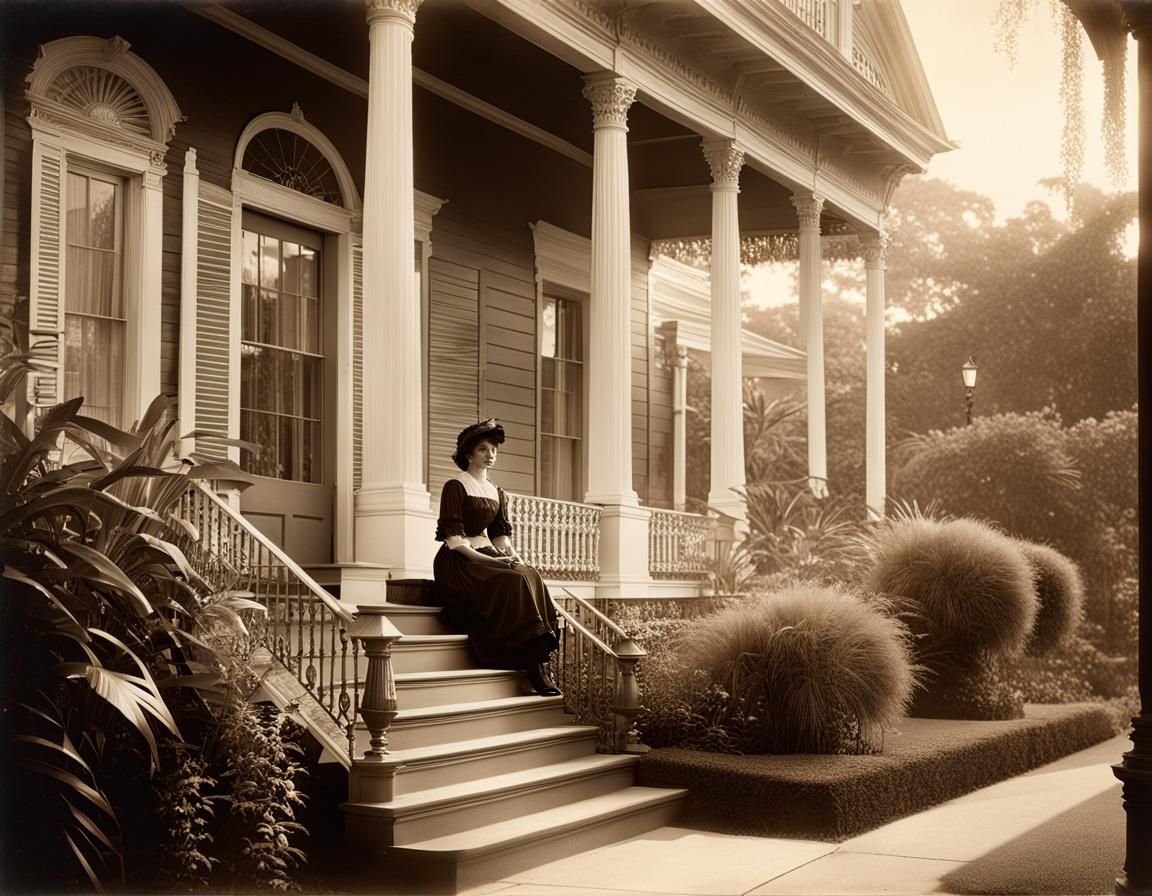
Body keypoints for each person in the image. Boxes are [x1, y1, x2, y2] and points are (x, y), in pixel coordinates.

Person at [433, 419, 561, 696]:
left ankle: (538, 659)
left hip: (487, 552)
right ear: (469, 454)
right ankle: (532, 666)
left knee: (529, 575)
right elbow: (454, 539)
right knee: (511, 581)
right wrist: (493, 562)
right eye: (483, 449)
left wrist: (516, 558)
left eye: (493, 449)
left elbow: (500, 536)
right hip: (459, 561)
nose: (490, 454)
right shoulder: (455, 485)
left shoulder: (496, 491)